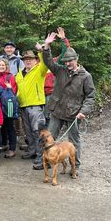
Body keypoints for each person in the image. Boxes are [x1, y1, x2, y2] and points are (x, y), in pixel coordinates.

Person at [42, 32, 95, 172]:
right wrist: (46, 46)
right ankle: (47, 161)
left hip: (74, 113)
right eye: (65, 61)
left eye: (70, 61)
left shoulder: (86, 76)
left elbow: (90, 96)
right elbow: (48, 62)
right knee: (49, 137)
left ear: (76, 59)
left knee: (74, 141)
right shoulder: (60, 70)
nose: (67, 63)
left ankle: (75, 166)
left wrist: (83, 111)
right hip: (57, 111)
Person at [15, 49, 48, 170]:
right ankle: (32, 151)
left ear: (35, 60)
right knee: (28, 131)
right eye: (26, 59)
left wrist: (41, 51)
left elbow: (46, 63)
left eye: (31, 59)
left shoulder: (39, 70)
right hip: (23, 106)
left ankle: (42, 156)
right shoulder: (19, 74)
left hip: (35, 106)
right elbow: (18, 89)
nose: (28, 61)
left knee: (37, 132)